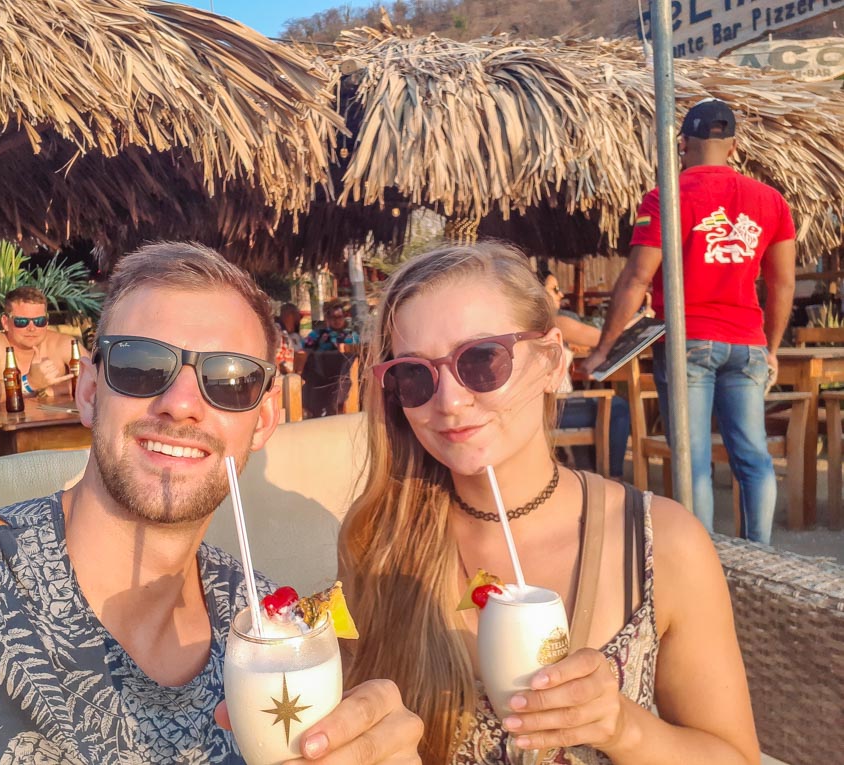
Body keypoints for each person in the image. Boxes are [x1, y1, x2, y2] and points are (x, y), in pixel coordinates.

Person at [0, 242, 422, 764]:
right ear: (89, 390)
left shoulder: (268, 626)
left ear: (262, 421)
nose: (182, 403)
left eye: (231, 379)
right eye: (142, 365)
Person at [340, 242, 759, 764]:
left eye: (481, 360)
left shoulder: (660, 541)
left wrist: (623, 728)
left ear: (551, 359)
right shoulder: (381, 540)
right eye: (414, 375)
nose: (449, 401)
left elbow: (736, 757)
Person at [583, 98, 796, 545]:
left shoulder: (666, 198)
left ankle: (706, 557)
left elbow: (637, 277)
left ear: (682, 145)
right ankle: (760, 554)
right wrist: (770, 348)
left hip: (689, 342)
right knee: (753, 457)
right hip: (748, 344)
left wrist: (604, 349)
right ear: (734, 147)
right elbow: (781, 286)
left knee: (694, 457)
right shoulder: (771, 201)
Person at [542, 272, 631, 479]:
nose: (561, 294)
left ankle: (586, 472)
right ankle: (612, 476)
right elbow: (608, 338)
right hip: (554, 407)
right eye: (554, 289)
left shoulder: (532, 324)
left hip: (545, 406)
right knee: (617, 408)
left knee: (591, 401)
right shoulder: (558, 323)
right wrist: (639, 320)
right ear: (537, 291)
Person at [0, 286, 88, 403]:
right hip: (2, 424)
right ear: (6, 323)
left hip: (60, 424)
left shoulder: (64, 344)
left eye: (39, 321)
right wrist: (28, 383)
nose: (32, 328)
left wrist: (55, 390)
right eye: (21, 321)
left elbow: (99, 377)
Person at [275, 301, 304, 374]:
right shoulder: (275, 331)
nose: (300, 320)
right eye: (299, 317)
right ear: (291, 315)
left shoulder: (296, 336)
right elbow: (273, 358)